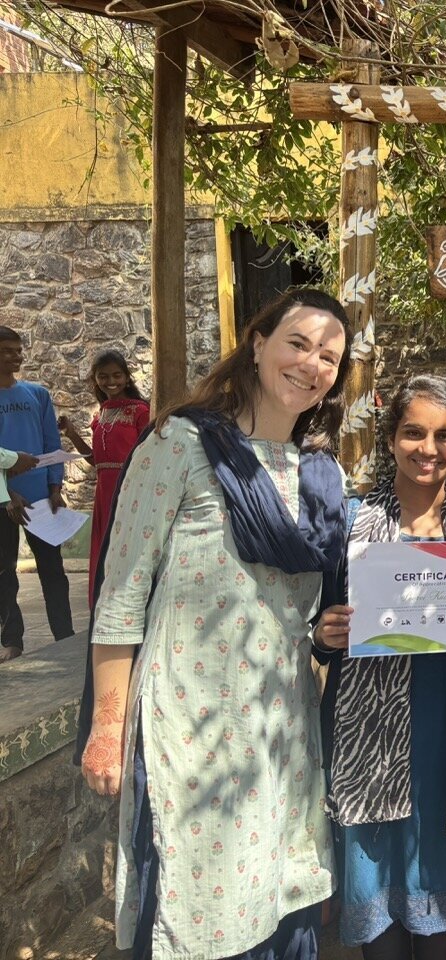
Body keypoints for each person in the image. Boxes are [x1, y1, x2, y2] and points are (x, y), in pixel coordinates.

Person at [76, 289, 353, 960]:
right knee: (197, 907)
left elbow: (305, 613)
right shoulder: (180, 443)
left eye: (329, 357)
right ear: (257, 344)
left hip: (280, 731)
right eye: (297, 343)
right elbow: (121, 597)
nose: (311, 364)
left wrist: (328, 632)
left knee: (278, 897)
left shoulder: (322, 476)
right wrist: (107, 728)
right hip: (189, 729)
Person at [311, 374, 446, 958]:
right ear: (390, 437)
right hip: (366, 739)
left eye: (445, 435)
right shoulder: (348, 524)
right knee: (376, 883)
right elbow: (312, 622)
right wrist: (323, 634)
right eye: (413, 432)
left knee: (438, 882)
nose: (428, 448)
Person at [0, 324, 74, 663]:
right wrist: (8, 495)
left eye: (18, 350)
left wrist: (55, 487)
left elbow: (51, 443)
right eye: (7, 351)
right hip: (4, 500)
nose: (16, 356)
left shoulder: (37, 394)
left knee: (53, 570)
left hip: (42, 500)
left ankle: (65, 634)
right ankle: (11, 640)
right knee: (4, 573)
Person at [58, 349, 151, 600]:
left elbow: (150, 453)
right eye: (103, 376)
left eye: (117, 375)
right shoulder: (100, 415)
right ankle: (107, 602)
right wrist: (71, 433)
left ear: (127, 377)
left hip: (131, 488)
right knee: (106, 548)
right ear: (95, 379)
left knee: (127, 545)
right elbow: (95, 460)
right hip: (104, 492)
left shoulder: (140, 411)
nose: (111, 381)